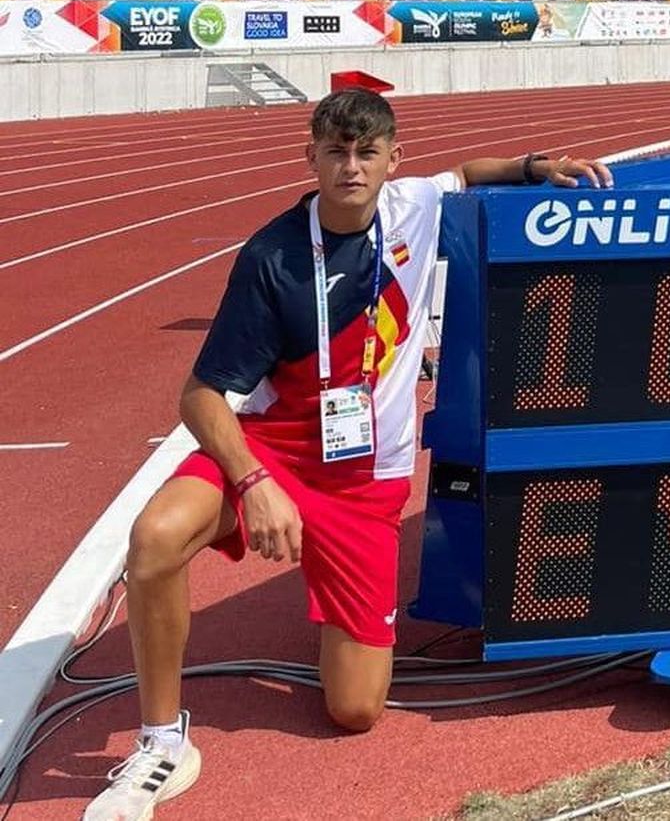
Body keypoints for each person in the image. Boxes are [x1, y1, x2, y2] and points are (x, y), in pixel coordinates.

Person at [84, 87, 612, 821]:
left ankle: (334, 610)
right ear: (312, 158)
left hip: (367, 483)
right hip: (277, 450)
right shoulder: (272, 257)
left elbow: (467, 173)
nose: (352, 167)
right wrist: (255, 481)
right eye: (336, 152)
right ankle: (162, 741)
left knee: (356, 711)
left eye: (368, 153)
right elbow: (201, 396)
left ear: (394, 160)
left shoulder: (414, 205)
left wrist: (534, 166)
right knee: (155, 538)